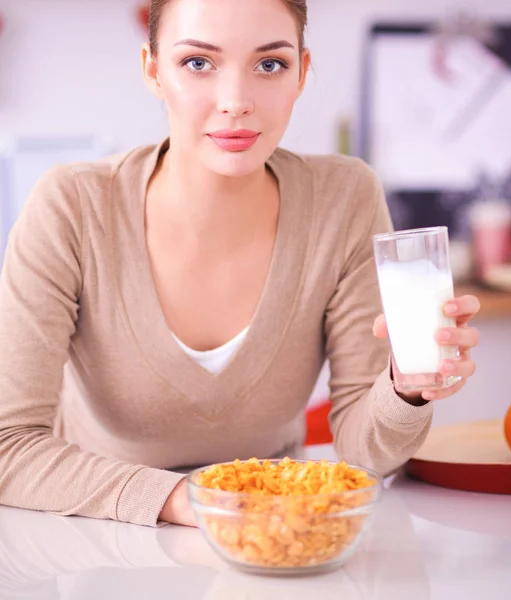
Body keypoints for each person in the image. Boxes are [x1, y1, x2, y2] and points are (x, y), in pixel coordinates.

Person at [0, 0, 480, 529]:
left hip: (274, 541)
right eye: (198, 63)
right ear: (153, 70)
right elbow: (8, 448)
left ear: (300, 72)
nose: (236, 102)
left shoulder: (345, 197)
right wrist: (195, 501)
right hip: (94, 538)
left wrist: (404, 385)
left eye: (270, 64)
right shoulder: (72, 206)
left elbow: (368, 457)